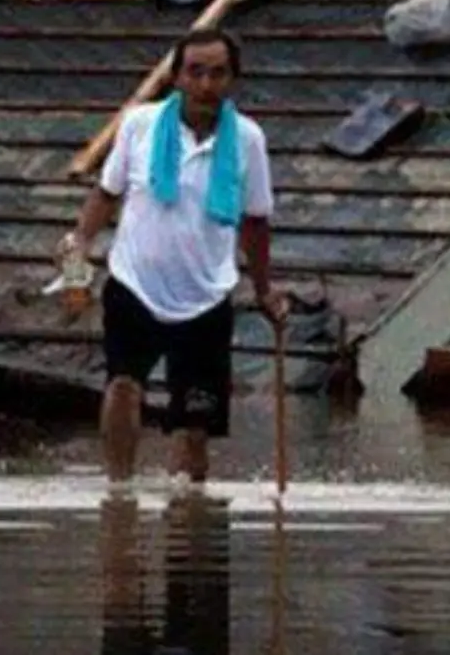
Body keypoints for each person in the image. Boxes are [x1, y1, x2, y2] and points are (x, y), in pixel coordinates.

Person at [62, 29, 285, 485]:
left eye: (217, 74)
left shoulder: (246, 139)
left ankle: (188, 517)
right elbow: (108, 193)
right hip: (135, 281)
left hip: (205, 293)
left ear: (232, 80)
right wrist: (80, 243)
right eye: (195, 72)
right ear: (177, 77)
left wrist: (264, 290)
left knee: (195, 423)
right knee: (123, 383)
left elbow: (255, 221)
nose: (206, 85)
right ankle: (118, 490)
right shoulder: (139, 125)